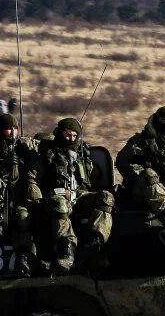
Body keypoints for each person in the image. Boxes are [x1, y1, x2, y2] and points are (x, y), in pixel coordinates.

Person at [36, 117, 114, 272]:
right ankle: (67, 251)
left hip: (78, 195)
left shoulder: (83, 155)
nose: (70, 139)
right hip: (54, 196)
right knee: (61, 205)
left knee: (106, 197)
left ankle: (94, 245)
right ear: (59, 133)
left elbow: (92, 180)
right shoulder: (47, 153)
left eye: (74, 135)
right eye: (67, 135)